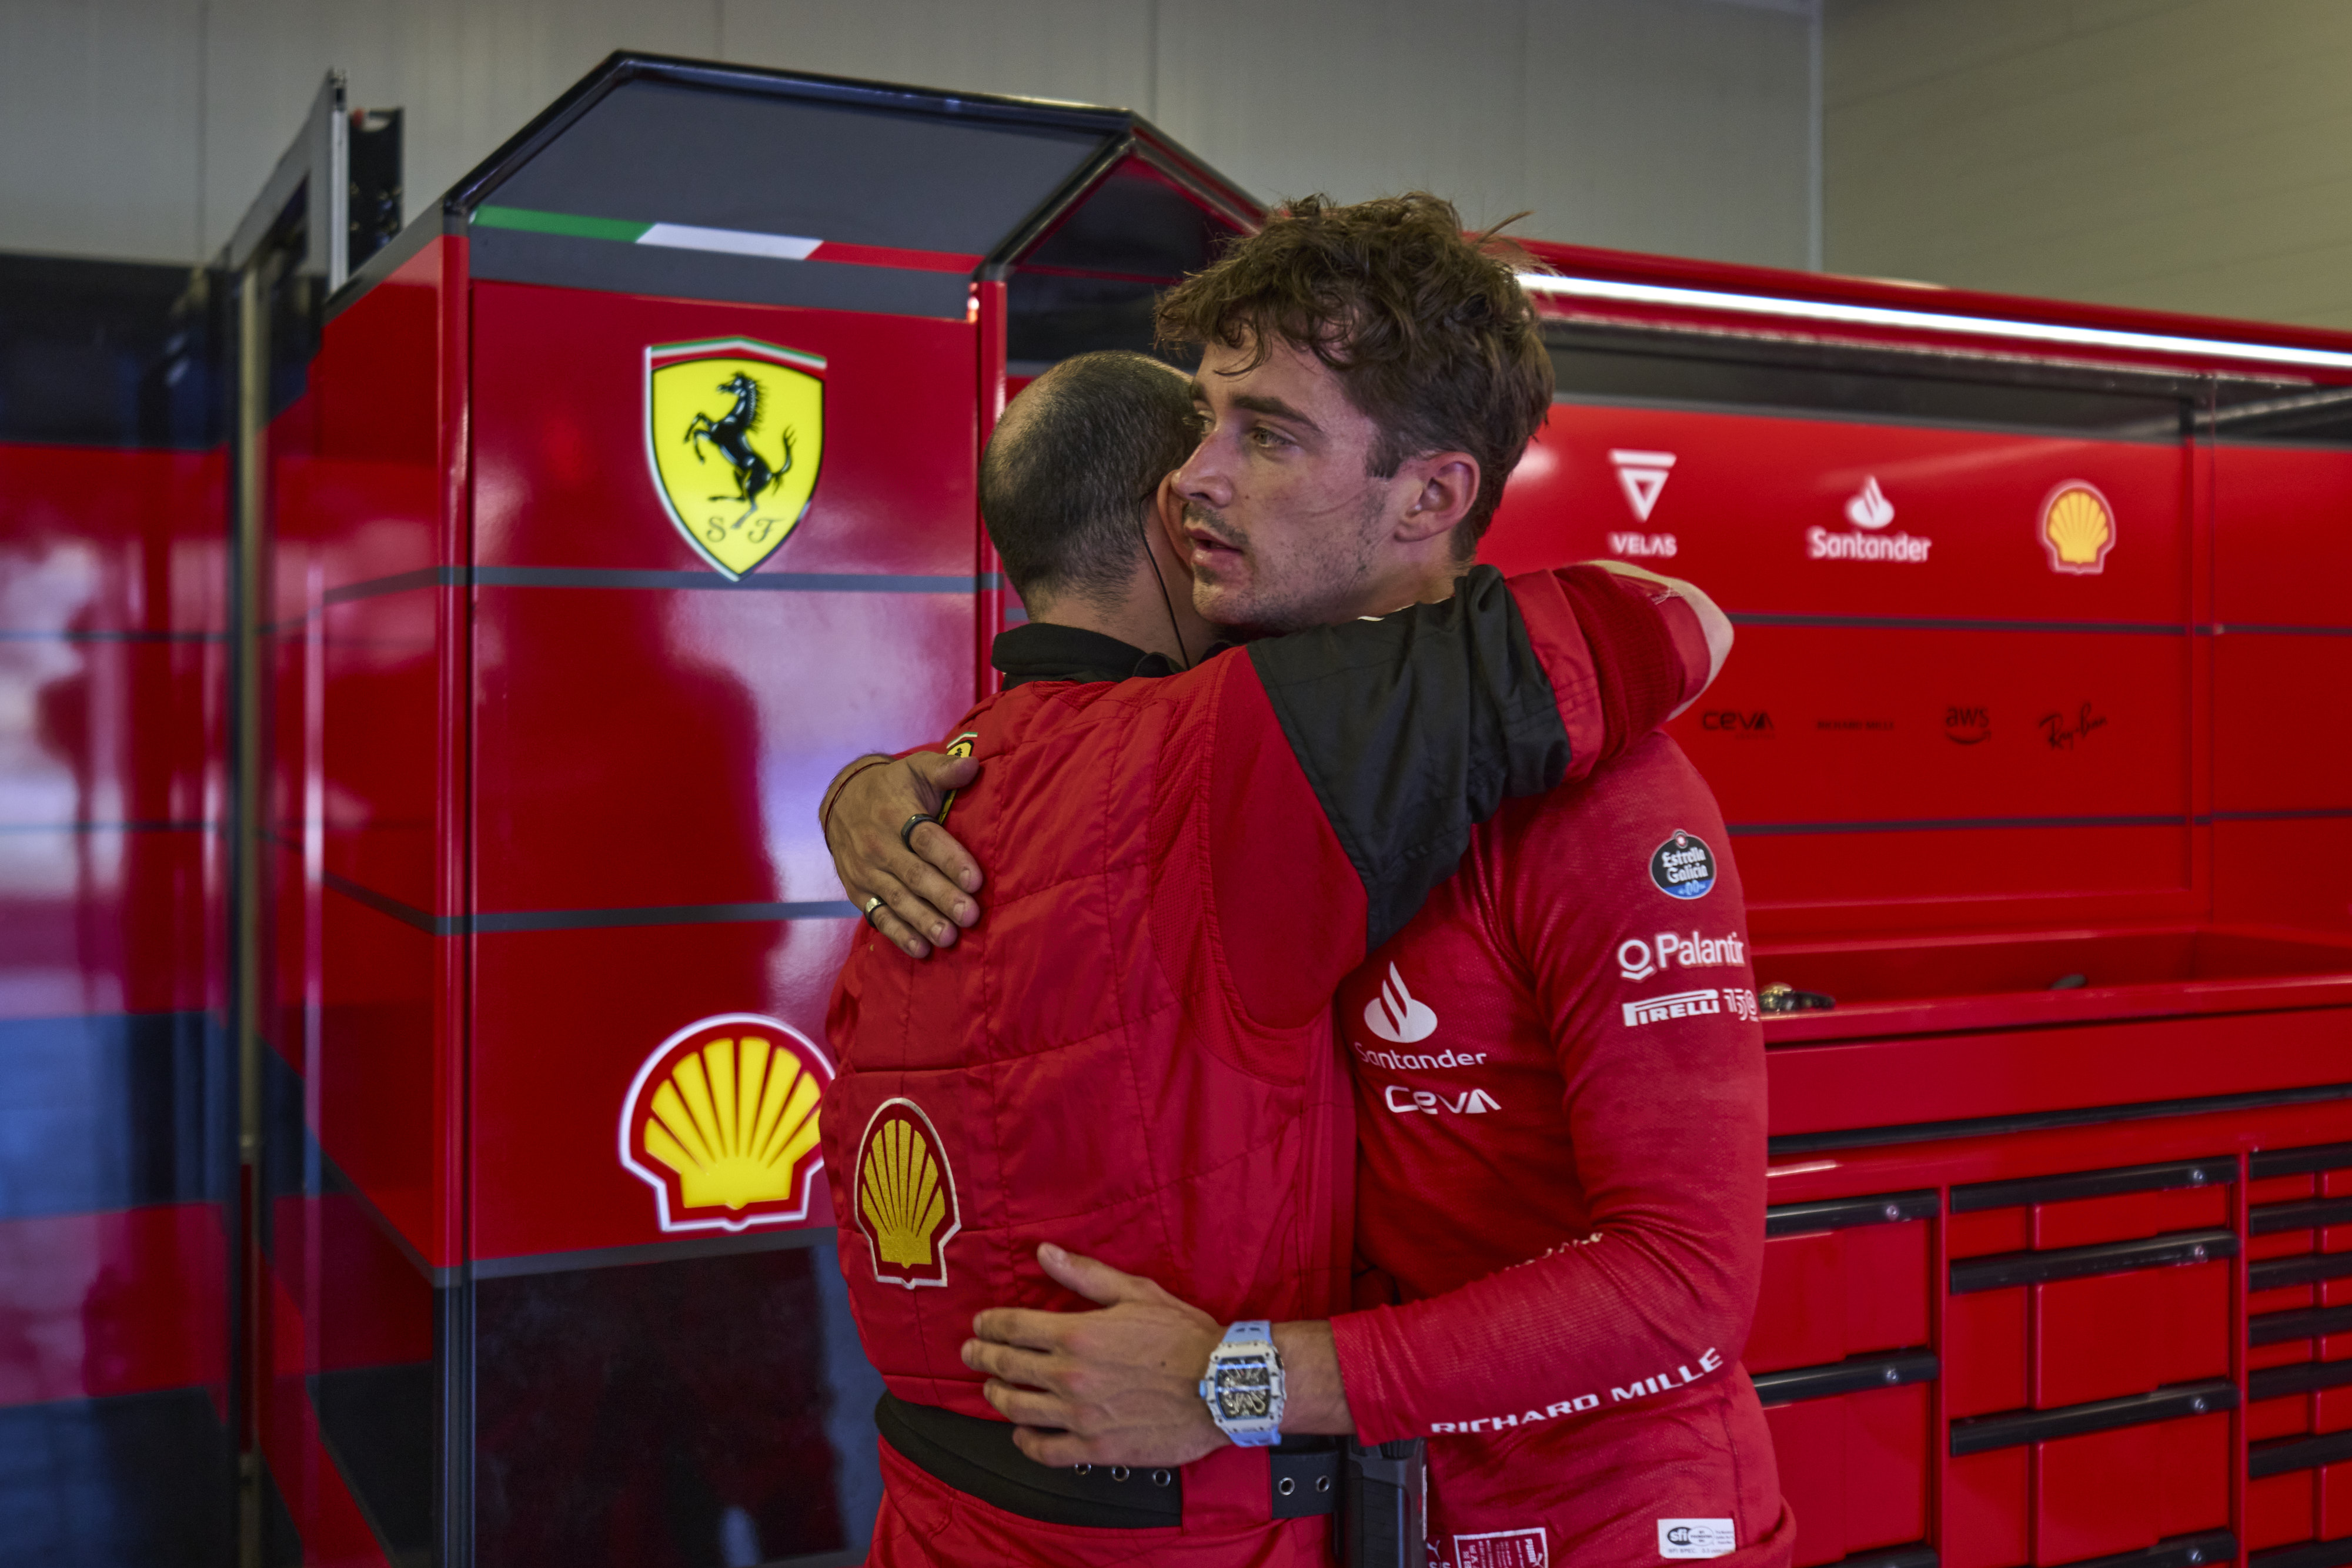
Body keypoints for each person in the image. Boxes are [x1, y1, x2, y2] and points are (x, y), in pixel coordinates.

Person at [833, 195, 1792, 1567]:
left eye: (1264, 435)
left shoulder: (1604, 799)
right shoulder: (1230, 751)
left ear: (1430, 495)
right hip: (1374, 1512)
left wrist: (1232, 1379)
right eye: (1204, 423)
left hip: (1604, 1518)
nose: (1192, 477)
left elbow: (1682, 1285)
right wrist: (887, 787)